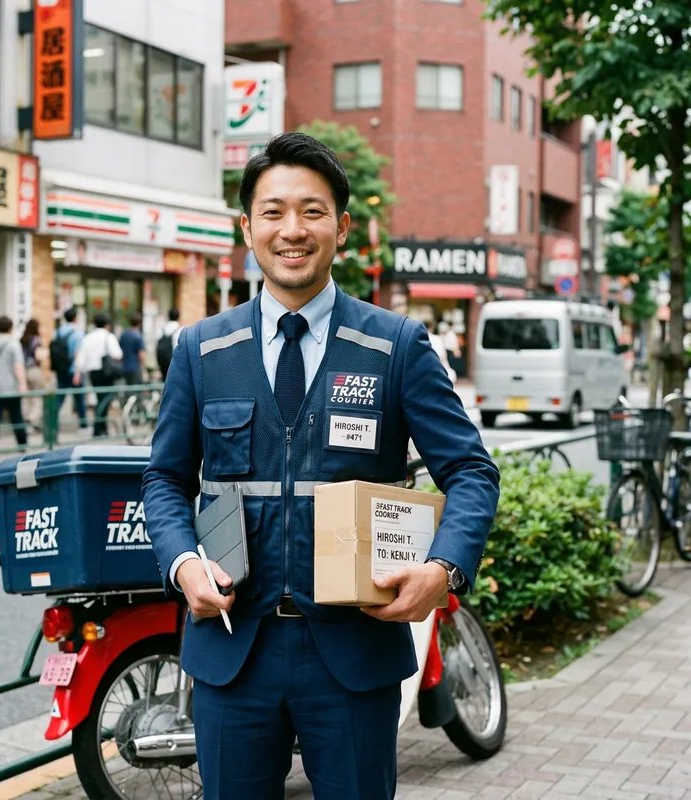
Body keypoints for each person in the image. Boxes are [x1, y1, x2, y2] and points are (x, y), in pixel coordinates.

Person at [142, 132, 500, 800]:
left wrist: (442, 570)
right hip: (230, 651)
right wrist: (182, 562)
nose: (292, 230)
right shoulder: (200, 349)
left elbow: (473, 472)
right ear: (247, 228)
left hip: (353, 653)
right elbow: (164, 478)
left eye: (312, 210)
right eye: (273, 212)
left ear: (342, 225)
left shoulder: (395, 346)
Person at [74, 313, 123, 438]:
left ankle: (101, 428)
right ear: (106, 324)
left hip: (93, 373)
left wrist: (78, 372)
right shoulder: (108, 336)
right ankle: (98, 428)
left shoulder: (87, 337)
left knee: (100, 398)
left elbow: (81, 359)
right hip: (106, 372)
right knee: (104, 399)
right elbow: (117, 354)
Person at [0, 316, 28, 450]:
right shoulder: (13, 344)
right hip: (10, 388)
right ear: (11, 328)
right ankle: (22, 445)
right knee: (16, 417)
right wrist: (22, 384)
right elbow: (18, 366)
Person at [52, 307, 87, 430]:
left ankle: (52, 424)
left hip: (60, 370)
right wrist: (78, 372)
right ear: (75, 318)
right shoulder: (77, 333)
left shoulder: (57, 331)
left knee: (59, 398)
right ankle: (83, 425)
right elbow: (78, 354)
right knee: (80, 399)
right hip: (73, 370)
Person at [20, 318, 46, 426]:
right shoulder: (36, 340)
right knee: (37, 395)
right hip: (34, 370)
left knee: (26, 397)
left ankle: (25, 417)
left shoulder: (22, 340)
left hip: (23, 370)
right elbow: (38, 356)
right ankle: (33, 418)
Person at [119, 312, 146, 385]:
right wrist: (144, 369)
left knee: (128, 389)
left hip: (125, 366)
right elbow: (141, 354)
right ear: (139, 323)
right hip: (135, 367)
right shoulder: (138, 336)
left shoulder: (124, 334)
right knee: (135, 391)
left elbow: (120, 350)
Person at [157, 307, 182, 379]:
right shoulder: (180, 329)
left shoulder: (162, 328)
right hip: (173, 361)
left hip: (162, 361)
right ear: (178, 316)